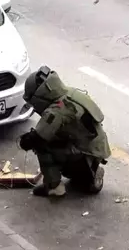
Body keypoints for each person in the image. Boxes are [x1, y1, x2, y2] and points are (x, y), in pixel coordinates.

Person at [19, 66, 111, 197]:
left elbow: (38, 137)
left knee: (42, 146)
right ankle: (90, 172)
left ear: (39, 96)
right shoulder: (69, 94)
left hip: (86, 149)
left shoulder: (57, 109)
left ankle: (54, 186)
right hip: (96, 144)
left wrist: (25, 141)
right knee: (53, 139)